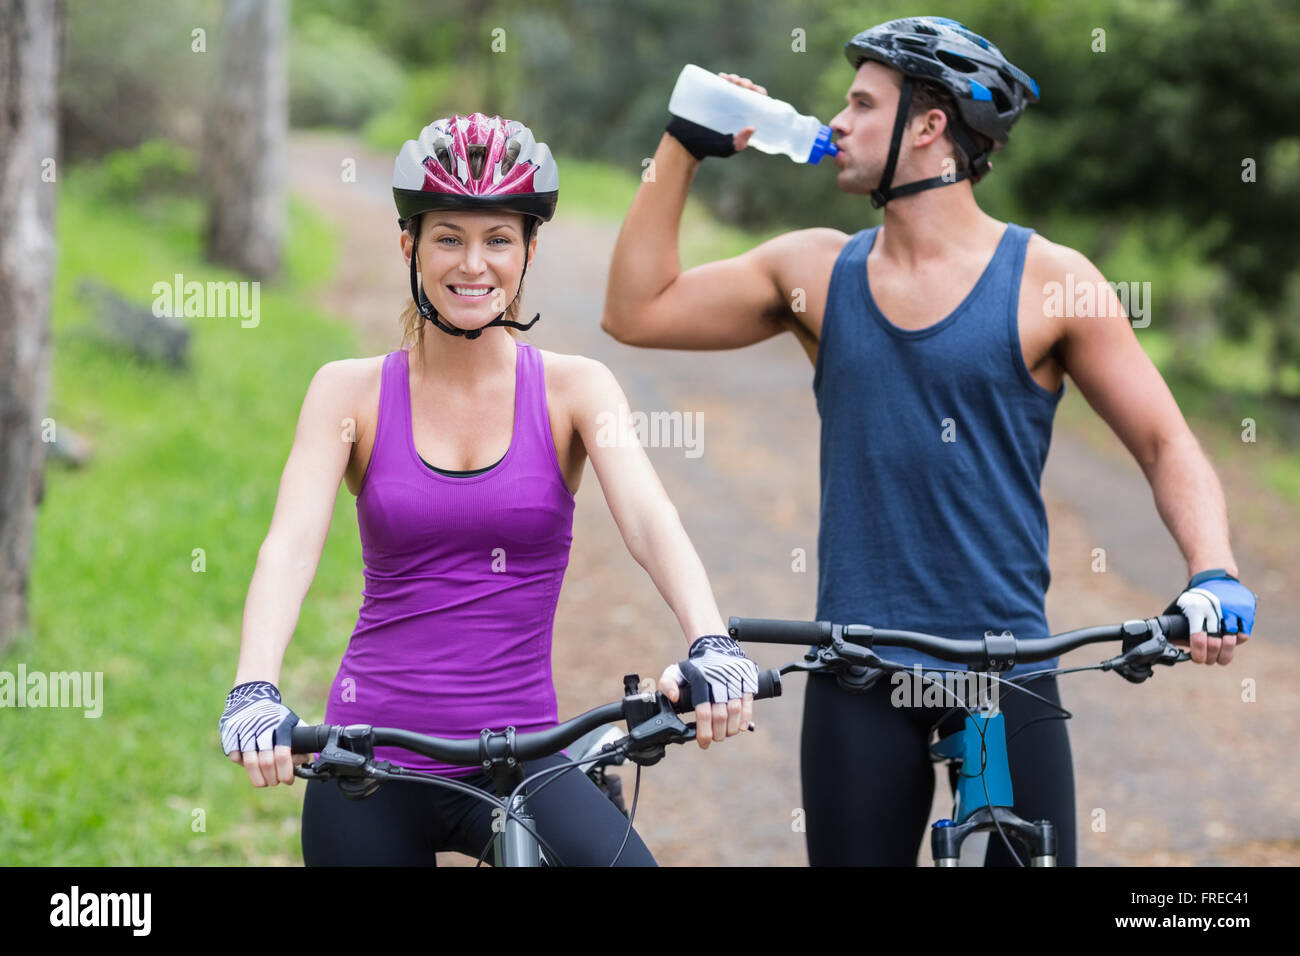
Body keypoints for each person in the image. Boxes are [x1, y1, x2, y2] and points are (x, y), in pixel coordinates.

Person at [600, 16, 1258, 866]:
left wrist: (1213, 568)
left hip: (1002, 667)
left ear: (929, 125)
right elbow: (633, 311)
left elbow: (1167, 442)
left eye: (862, 104)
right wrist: (683, 146)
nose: (836, 121)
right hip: (857, 674)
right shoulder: (814, 271)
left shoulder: (1053, 282)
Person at [218, 112, 760, 867]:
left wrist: (710, 638)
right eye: (449, 237)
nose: (474, 264)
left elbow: (648, 516)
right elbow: (289, 546)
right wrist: (255, 685)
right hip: (370, 757)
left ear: (529, 249)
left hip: (523, 754)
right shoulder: (348, 394)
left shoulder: (576, 388)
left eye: (498, 239)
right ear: (409, 245)